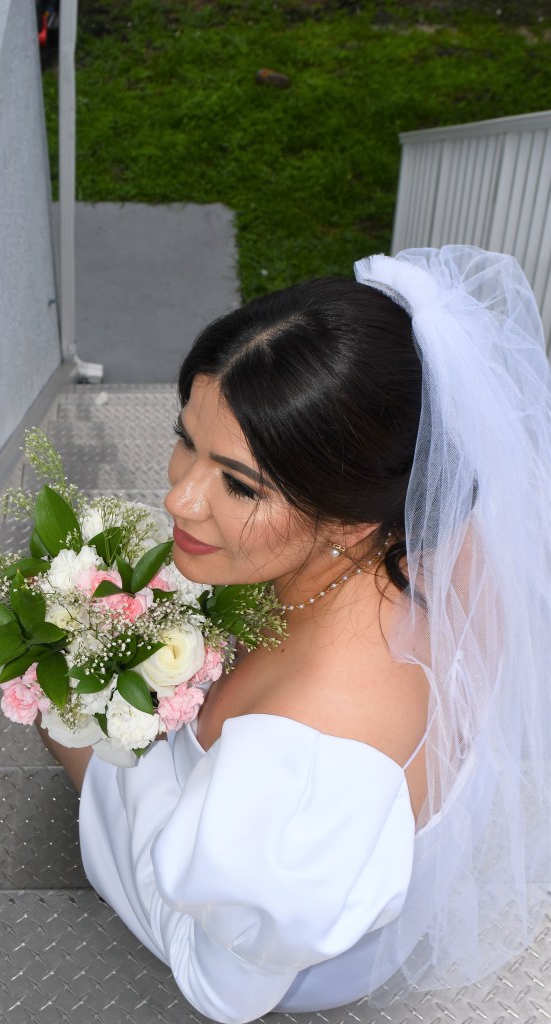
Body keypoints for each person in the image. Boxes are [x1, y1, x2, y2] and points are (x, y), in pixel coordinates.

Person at [38, 245, 551, 1024]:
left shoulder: (314, 754)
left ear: (348, 517)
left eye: (238, 484)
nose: (179, 499)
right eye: (186, 439)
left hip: (277, 959)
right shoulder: (433, 536)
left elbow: (223, 986)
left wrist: (86, 747)